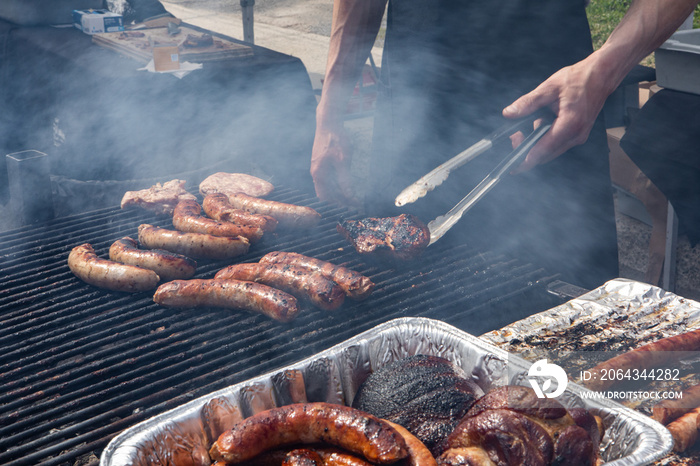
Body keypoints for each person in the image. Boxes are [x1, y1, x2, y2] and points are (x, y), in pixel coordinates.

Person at [310, 0, 698, 291]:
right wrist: (329, 111)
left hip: (547, 106)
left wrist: (604, 69)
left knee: (567, 347)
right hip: (414, 110)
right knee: (397, 313)